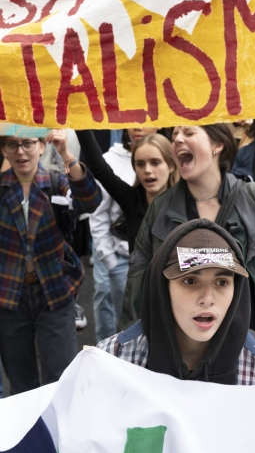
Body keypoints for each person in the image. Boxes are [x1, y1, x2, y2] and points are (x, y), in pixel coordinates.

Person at [121, 123, 255, 368]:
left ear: (217, 144)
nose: (178, 139)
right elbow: (138, 286)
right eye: (174, 135)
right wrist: (126, 356)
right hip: (180, 358)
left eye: (189, 133)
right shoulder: (160, 210)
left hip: (248, 355)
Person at [98, 219, 255, 385]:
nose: (207, 299)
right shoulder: (112, 360)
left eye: (222, 282)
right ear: (163, 288)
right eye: (190, 281)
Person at [0, 129, 102, 394]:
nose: (20, 151)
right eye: (12, 145)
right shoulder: (2, 187)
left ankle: (58, 435)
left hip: (55, 292)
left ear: (42, 146)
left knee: (60, 380)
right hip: (10, 297)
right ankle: (29, 434)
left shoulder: (57, 182)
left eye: (28, 144)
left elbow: (91, 200)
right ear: (4, 150)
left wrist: (66, 153)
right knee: (21, 383)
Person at [76, 130, 178, 254]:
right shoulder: (131, 200)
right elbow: (99, 168)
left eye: (155, 163)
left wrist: (176, 265)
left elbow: (205, 258)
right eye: (140, 164)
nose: (147, 170)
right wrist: (81, 126)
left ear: (171, 165)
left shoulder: (187, 204)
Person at [89, 129, 136, 342]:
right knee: (104, 295)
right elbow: (98, 213)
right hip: (117, 251)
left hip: (153, 259)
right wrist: (109, 259)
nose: (139, 126)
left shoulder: (169, 155)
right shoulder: (111, 160)